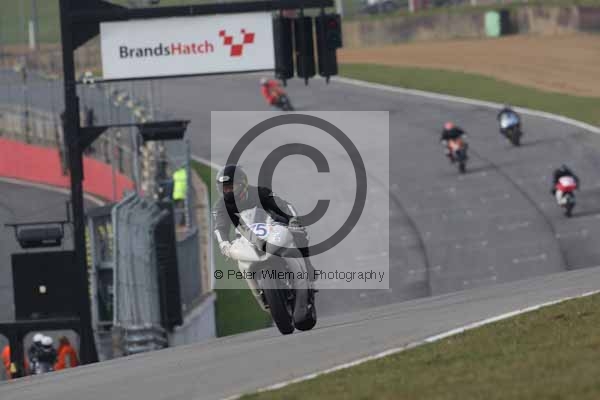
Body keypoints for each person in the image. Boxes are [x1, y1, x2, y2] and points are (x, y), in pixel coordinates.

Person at [212, 164, 316, 281]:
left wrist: (293, 221)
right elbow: (219, 228)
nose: (228, 192)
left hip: (272, 228)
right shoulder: (220, 207)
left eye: (232, 187)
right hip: (245, 237)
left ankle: (307, 264)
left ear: (242, 183)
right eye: (225, 189)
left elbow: (284, 206)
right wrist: (224, 243)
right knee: (239, 260)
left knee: (299, 234)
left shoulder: (261, 193)